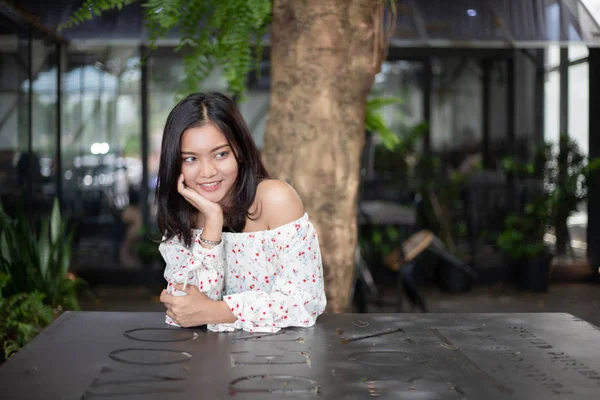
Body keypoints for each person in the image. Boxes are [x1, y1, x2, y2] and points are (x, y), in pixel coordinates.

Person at [156, 92, 326, 333]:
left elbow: (304, 303)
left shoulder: (275, 200)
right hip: (206, 361)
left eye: (220, 154)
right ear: (175, 163)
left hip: (279, 360)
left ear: (241, 151)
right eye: (191, 159)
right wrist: (213, 223)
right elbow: (185, 311)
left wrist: (214, 311)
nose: (207, 172)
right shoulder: (183, 214)